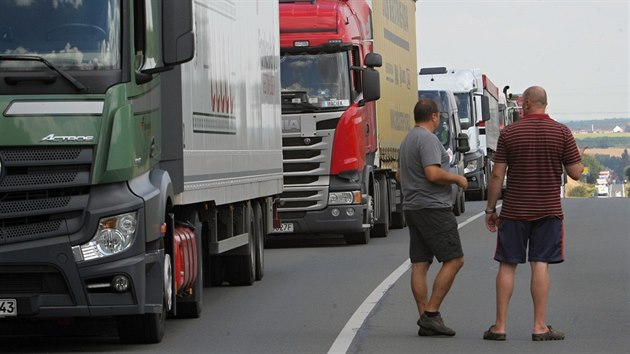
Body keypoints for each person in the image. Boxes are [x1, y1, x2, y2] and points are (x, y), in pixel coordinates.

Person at [483, 86, 585, 341]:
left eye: (521, 102)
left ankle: (500, 326)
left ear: (527, 103)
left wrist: (490, 209)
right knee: (540, 264)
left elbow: (497, 174)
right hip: (548, 211)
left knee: (507, 265)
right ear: (545, 103)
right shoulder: (562, 132)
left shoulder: (510, 133)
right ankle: (539, 326)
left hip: (515, 211)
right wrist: (580, 160)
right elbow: (575, 173)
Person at [396, 99, 468, 337]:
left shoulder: (407, 140)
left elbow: (399, 174)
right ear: (434, 116)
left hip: (413, 207)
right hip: (433, 208)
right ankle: (432, 313)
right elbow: (432, 173)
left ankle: (424, 318)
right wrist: (457, 179)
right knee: (455, 259)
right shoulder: (427, 139)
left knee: (420, 263)